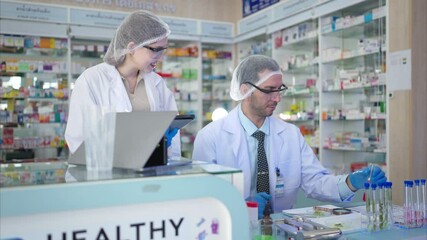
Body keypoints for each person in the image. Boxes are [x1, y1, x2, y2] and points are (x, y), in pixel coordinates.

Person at [192, 55, 386, 218]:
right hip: (231, 230)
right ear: (245, 91)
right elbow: (202, 197)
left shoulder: (290, 133)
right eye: (269, 90)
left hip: (281, 228)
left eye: (279, 90)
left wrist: (350, 182)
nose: (277, 98)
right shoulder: (211, 137)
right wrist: (242, 208)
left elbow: (314, 181)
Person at [65, 10, 180, 159]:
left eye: (163, 50)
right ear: (132, 47)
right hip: (107, 173)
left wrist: (166, 152)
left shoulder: (157, 83)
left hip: (151, 171)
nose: (160, 58)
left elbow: (173, 137)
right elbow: (78, 137)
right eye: (156, 50)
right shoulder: (91, 80)